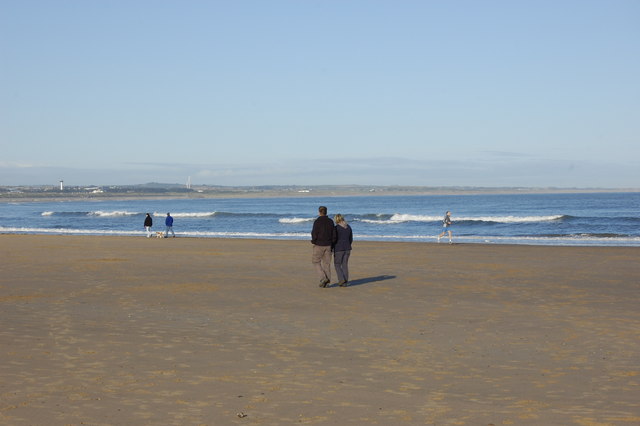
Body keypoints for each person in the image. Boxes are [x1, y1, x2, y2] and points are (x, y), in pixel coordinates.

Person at [311, 206, 336, 288]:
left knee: (316, 261)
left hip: (319, 244)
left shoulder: (317, 222)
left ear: (319, 212)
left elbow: (314, 233)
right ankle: (327, 282)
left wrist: (314, 241)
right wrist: (332, 243)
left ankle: (323, 278)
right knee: (327, 264)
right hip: (328, 245)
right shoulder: (330, 221)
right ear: (326, 212)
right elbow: (334, 234)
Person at [333, 214, 353, 287]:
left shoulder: (336, 228)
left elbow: (334, 239)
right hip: (347, 248)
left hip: (339, 248)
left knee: (337, 264)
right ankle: (345, 281)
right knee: (344, 265)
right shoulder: (348, 227)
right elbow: (351, 239)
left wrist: (332, 247)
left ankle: (341, 279)